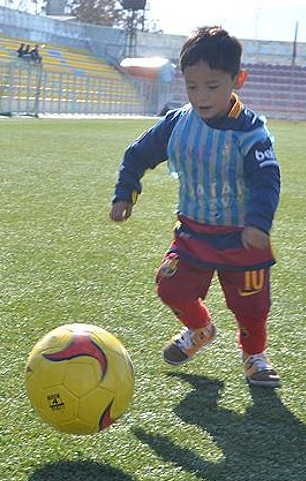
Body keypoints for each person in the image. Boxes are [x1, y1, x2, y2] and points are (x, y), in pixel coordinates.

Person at [109, 25, 283, 388]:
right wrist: (125, 193)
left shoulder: (252, 132)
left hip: (243, 240)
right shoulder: (177, 124)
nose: (201, 96)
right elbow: (137, 154)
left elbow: (267, 179)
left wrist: (257, 223)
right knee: (170, 289)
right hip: (193, 234)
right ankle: (200, 329)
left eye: (212, 86)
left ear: (239, 79)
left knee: (252, 309)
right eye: (192, 86)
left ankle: (254, 357)